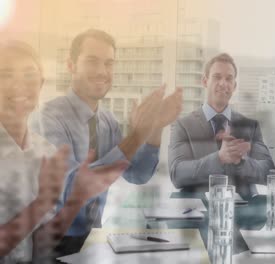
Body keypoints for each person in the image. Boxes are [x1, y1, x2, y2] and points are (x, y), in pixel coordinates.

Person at [31, 29, 183, 253]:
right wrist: (138, 134)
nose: (102, 71)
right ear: (71, 65)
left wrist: (155, 127)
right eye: (92, 61)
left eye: (109, 63)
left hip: (92, 240)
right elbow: (74, 188)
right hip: (50, 245)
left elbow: (136, 174)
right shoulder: (48, 118)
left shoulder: (107, 120)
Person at [0, 40, 128, 263]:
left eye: (28, 75)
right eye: (5, 74)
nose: (18, 85)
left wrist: (76, 199)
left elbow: (42, 239)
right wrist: (42, 204)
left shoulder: (45, 151)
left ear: (40, 84)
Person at [168, 53, 275, 198]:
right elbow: (177, 175)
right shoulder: (183, 126)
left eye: (229, 79)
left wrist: (240, 162)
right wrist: (219, 158)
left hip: (243, 214)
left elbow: (269, 172)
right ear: (205, 81)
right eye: (217, 77)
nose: (223, 83)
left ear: (234, 86)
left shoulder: (251, 126)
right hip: (198, 213)